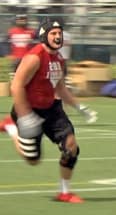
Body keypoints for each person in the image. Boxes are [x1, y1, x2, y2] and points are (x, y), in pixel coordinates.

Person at [9, 17, 96, 203]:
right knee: (33, 160)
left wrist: (79, 106)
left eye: (59, 33)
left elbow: (60, 88)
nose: (58, 37)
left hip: (51, 109)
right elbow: (16, 86)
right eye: (53, 33)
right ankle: (11, 128)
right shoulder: (34, 57)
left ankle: (64, 192)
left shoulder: (59, 58)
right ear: (44, 35)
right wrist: (24, 117)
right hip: (29, 109)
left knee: (71, 147)